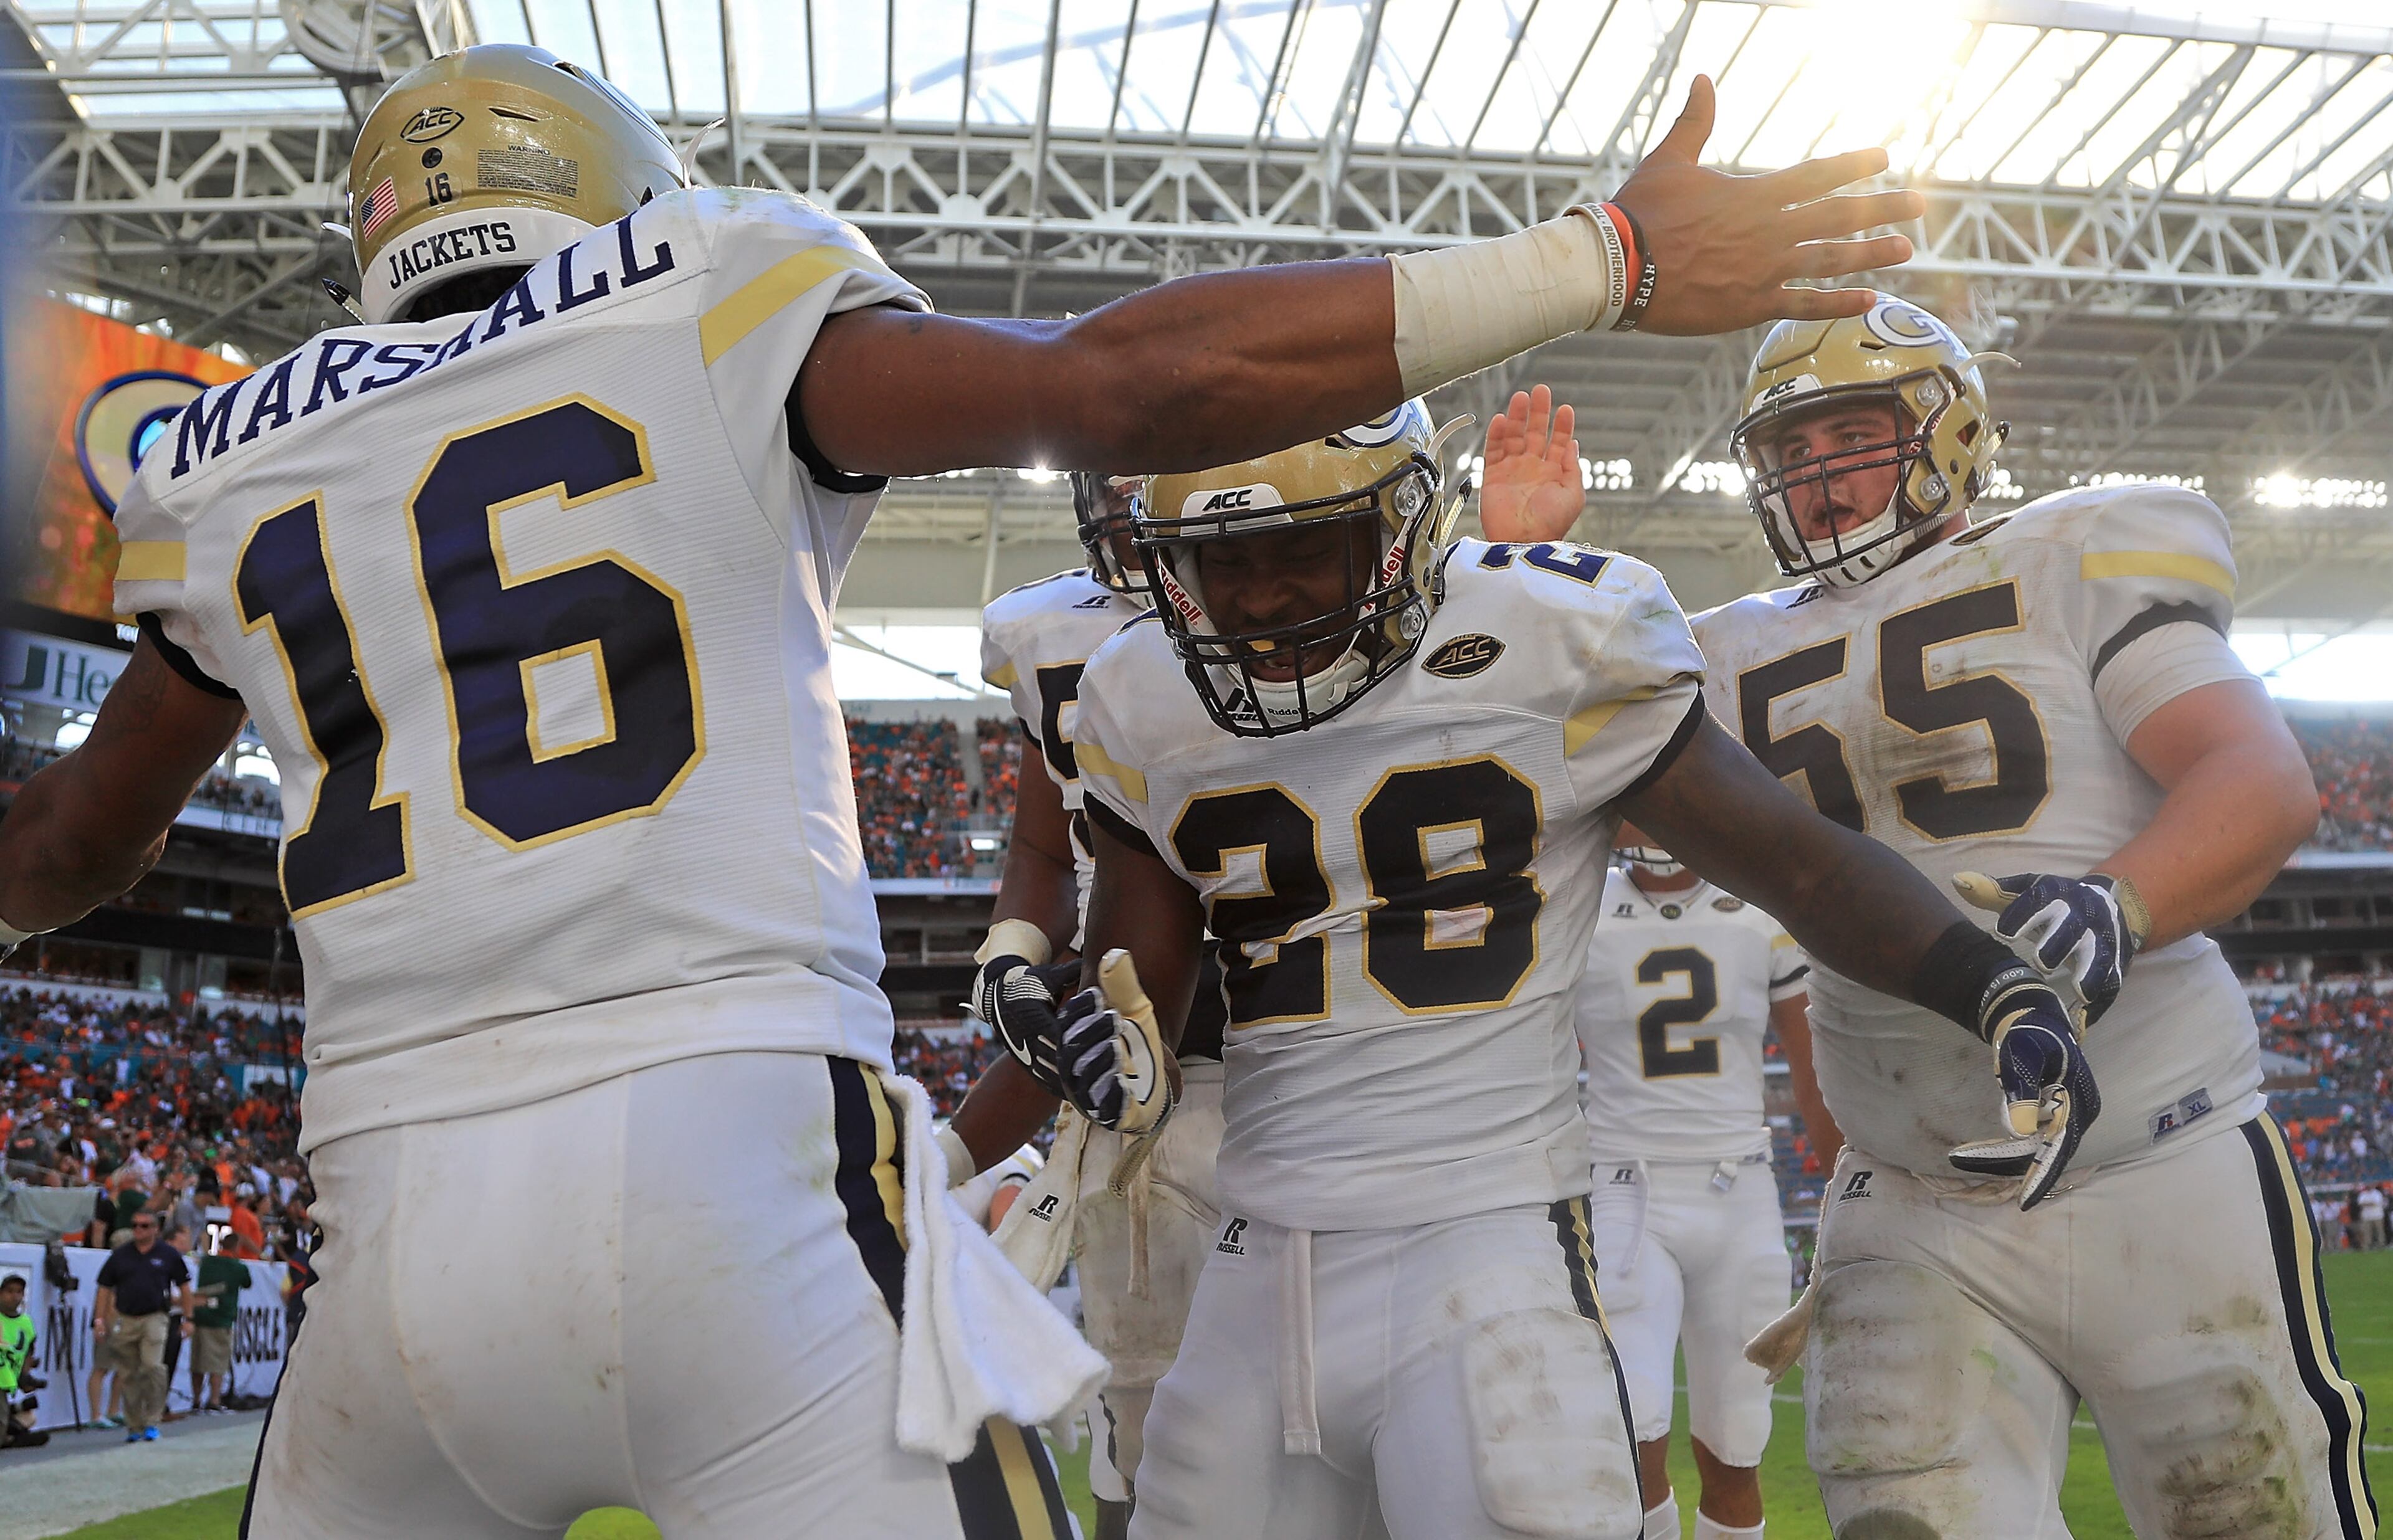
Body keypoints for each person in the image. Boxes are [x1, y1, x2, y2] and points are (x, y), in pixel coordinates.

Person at [0, 39, 1919, 1539]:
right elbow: (1113, 392)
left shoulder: (220, 461)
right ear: (609, 190)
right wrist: (1603, 256)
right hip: (730, 1181)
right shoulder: (701, 285)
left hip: (383, 1251)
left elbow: (74, 850)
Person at [993, 396, 2094, 1540]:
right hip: (1250, 1258)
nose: (1258, 595)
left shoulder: (1551, 632)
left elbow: (1800, 867)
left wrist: (1992, 983)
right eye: (1220, 562)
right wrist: (1109, 1041)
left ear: (1405, 528)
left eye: (1300, 549)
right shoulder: (1142, 689)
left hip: (1487, 1251)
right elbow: (1138, 971)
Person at [1683, 296, 2372, 1534]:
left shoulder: (2073, 553)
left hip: (2158, 1154)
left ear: (1946, 432)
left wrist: (2122, 902)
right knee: (1905, 1516)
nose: (1814, 477)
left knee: (2248, 1513)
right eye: (1788, 453)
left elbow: (2259, 779)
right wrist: (1530, 573)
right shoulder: (1724, 650)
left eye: (1846, 436)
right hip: (1907, 1188)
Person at [951, 470, 1229, 1539]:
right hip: (1128, 1062)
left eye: (1144, 469)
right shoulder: (1044, 631)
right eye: (1102, 475)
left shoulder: (1273, 596)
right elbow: (1037, 845)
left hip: (1276, 1044)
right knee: (1136, 1410)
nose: (1119, 499)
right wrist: (1010, 956)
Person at [1576, 829, 1833, 1540]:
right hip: (1626, 1195)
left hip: (1740, 1194)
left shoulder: (1763, 913)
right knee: (1631, 1430)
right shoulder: (1576, 908)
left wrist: (1852, 1204)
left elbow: (1818, 1078)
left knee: (1737, 1446)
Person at [93, 1210, 192, 1442]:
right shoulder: (121, 1255)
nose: (139, 1230)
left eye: (145, 1226)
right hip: (126, 1318)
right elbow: (104, 1287)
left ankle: (152, 1420)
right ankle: (134, 1424)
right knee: (128, 1373)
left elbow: (185, 1286)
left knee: (153, 1367)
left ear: (156, 1229)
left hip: (155, 1316)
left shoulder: (168, 1254)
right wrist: (99, 1320)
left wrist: (189, 1319)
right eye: (136, 1225)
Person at [190, 1237, 249, 1414]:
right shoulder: (237, 1267)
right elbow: (247, 1283)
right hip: (221, 1319)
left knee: (198, 1362)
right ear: (237, 1246)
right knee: (218, 1363)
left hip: (200, 1315)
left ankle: (196, 1400)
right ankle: (214, 1400)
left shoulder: (207, 1262)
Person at [0, 1273, 47, 1448]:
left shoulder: (26, 1323)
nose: (15, 1296)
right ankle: (11, 1439)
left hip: (7, 1381)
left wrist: (26, 1377)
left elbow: (28, 1353)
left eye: (19, 1292)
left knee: (29, 1416)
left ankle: (9, 1436)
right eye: (10, 1291)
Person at [2357, 1182, 2386, 1252]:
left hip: (2377, 1216)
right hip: (2366, 1216)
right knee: (2367, 1232)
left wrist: (2366, 1203)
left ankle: (2381, 1245)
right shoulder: (2363, 1194)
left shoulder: (2377, 1193)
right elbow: (2360, 1203)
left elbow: (2375, 1203)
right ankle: (2367, 1245)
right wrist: (2370, 1203)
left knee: (2379, 1231)